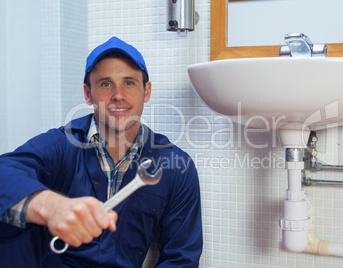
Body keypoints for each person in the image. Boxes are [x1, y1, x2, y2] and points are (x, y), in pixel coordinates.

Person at [0, 36, 203, 267]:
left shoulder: (176, 166)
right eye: (106, 83)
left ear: (146, 91)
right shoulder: (61, 145)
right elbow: (4, 172)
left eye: (129, 83)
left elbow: (181, 259)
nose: (118, 95)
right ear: (88, 94)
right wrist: (51, 206)